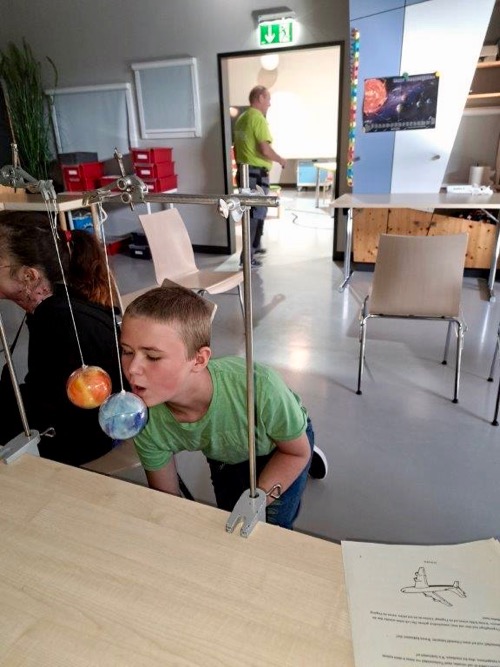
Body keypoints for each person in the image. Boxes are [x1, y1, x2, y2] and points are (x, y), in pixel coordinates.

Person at [120, 284, 327, 530]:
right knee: (230, 518)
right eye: (126, 351)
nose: (132, 369)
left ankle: (299, 439)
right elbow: (167, 501)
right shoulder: (144, 420)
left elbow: (295, 454)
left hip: (280, 447)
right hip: (225, 452)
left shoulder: (259, 387)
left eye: (153, 356)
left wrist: (261, 495)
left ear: (199, 360)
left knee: (272, 526)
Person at [0, 210, 123, 466]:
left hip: (87, 440)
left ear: (29, 276)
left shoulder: (55, 320)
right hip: (92, 425)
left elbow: (50, 409)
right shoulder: (60, 301)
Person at [233, 85, 286, 267]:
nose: (269, 104)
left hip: (244, 172)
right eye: (268, 99)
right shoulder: (257, 118)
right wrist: (280, 160)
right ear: (260, 98)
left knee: (253, 212)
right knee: (255, 214)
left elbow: (239, 147)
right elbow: (264, 149)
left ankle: (255, 246)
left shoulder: (242, 118)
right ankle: (248, 256)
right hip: (255, 174)